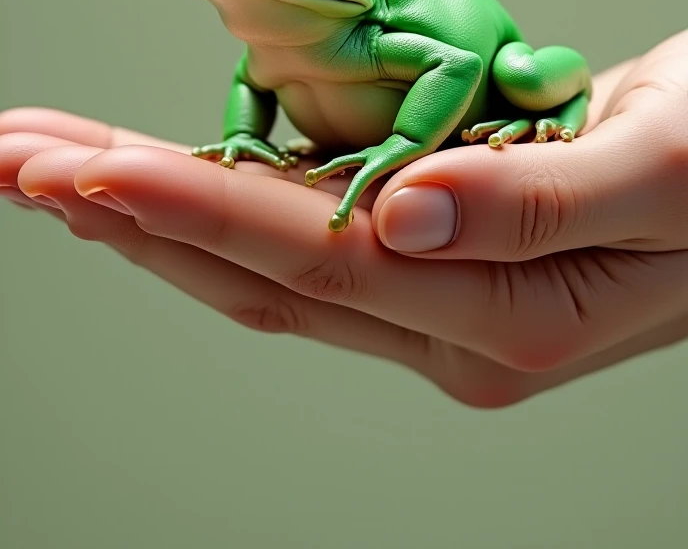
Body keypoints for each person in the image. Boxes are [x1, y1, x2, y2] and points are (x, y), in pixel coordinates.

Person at [1, 30, 687, 408]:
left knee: (527, 72)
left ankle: (557, 114)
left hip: (492, 86)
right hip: (346, 144)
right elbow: (250, 82)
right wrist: (243, 136)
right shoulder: (269, 48)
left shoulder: (370, 36)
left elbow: (459, 60)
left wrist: (403, 145)